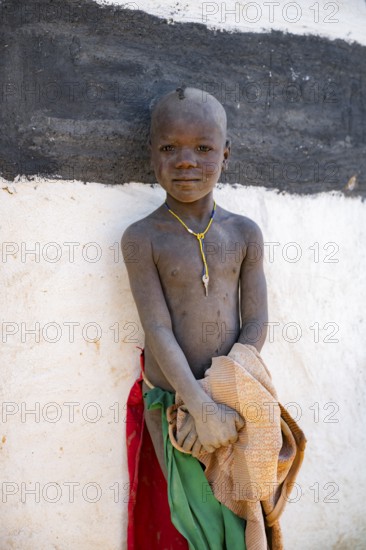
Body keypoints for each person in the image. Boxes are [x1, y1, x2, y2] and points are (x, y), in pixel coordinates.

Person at [122, 85, 268, 548]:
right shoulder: (142, 237)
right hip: (175, 408)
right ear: (152, 155)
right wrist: (198, 407)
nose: (186, 161)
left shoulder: (244, 233)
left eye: (203, 148)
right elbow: (157, 328)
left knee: (240, 525)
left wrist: (220, 397)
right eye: (170, 148)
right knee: (189, 530)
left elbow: (257, 322)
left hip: (235, 404)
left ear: (226, 155)